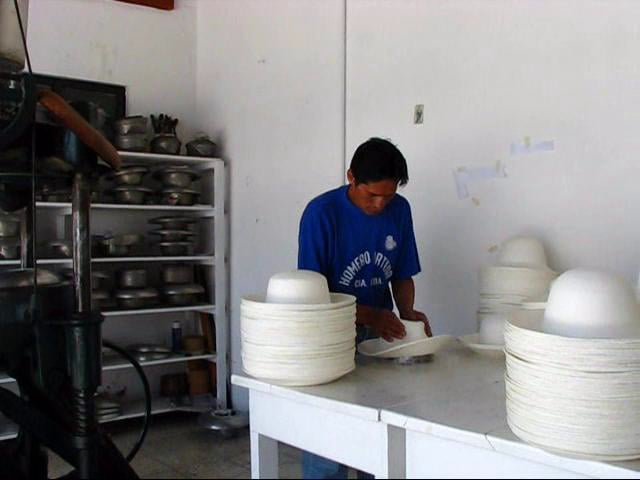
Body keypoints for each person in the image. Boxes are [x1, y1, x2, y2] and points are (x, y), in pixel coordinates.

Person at [297, 137, 430, 479]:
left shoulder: (400, 211)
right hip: (329, 337)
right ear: (351, 177)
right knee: (329, 437)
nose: (381, 204)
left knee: (377, 430)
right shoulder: (321, 214)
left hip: (377, 336)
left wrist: (408, 313)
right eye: (372, 195)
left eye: (389, 195)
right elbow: (314, 295)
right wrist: (373, 316)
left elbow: (402, 272)